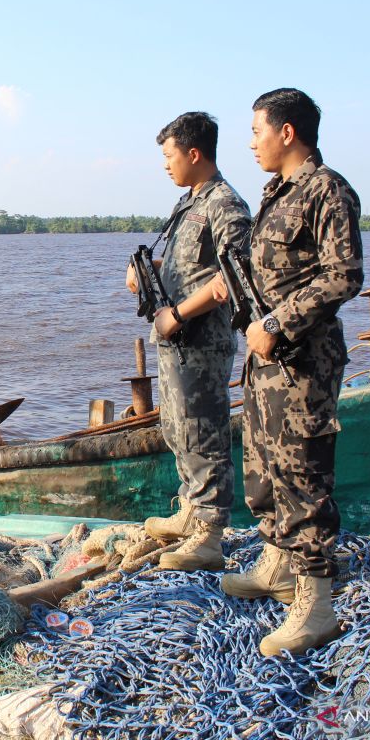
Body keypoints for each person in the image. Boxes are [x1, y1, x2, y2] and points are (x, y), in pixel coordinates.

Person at [219, 88, 363, 656]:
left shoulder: (327, 190)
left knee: (302, 471)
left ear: (286, 132)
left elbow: (344, 273)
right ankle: (276, 562)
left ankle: (316, 603)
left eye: (257, 130)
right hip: (265, 361)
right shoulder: (276, 196)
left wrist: (278, 323)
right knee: (264, 466)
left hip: (303, 360)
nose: (251, 142)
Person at [126, 112, 251, 572]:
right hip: (176, 340)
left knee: (202, 432)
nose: (166, 164)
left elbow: (234, 275)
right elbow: (192, 265)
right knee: (177, 428)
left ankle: (209, 534)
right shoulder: (189, 202)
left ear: (193, 153)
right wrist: (151, 273)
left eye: (169, 154)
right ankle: (190, 511)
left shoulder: (225, 205)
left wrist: (177, 315)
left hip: (200, 340)